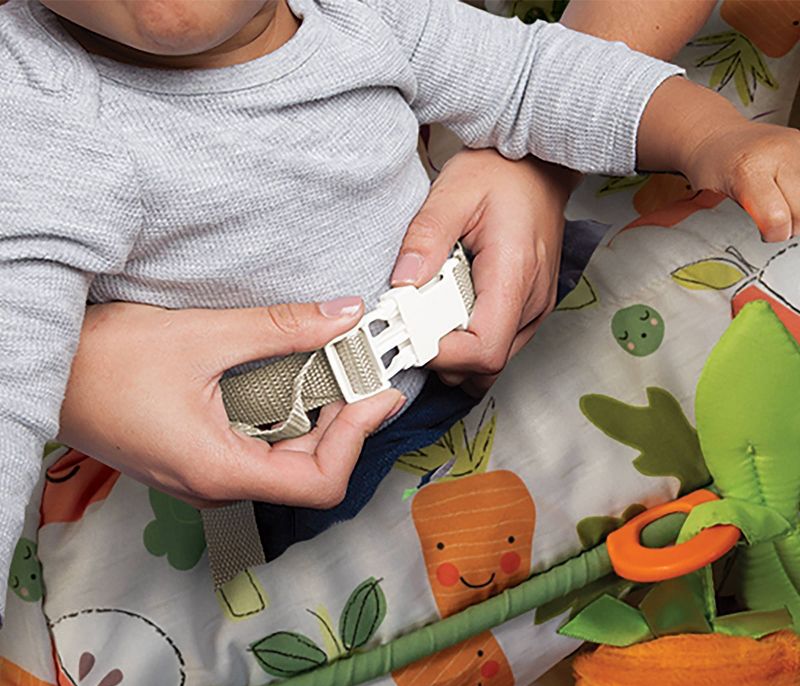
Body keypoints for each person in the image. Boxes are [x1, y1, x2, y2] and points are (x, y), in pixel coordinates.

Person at [2, 0, 798, 616]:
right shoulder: (32, 111)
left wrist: (720, 141)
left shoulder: (358, 12)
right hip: (318, 469)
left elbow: (542, 76)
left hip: (522, 310)